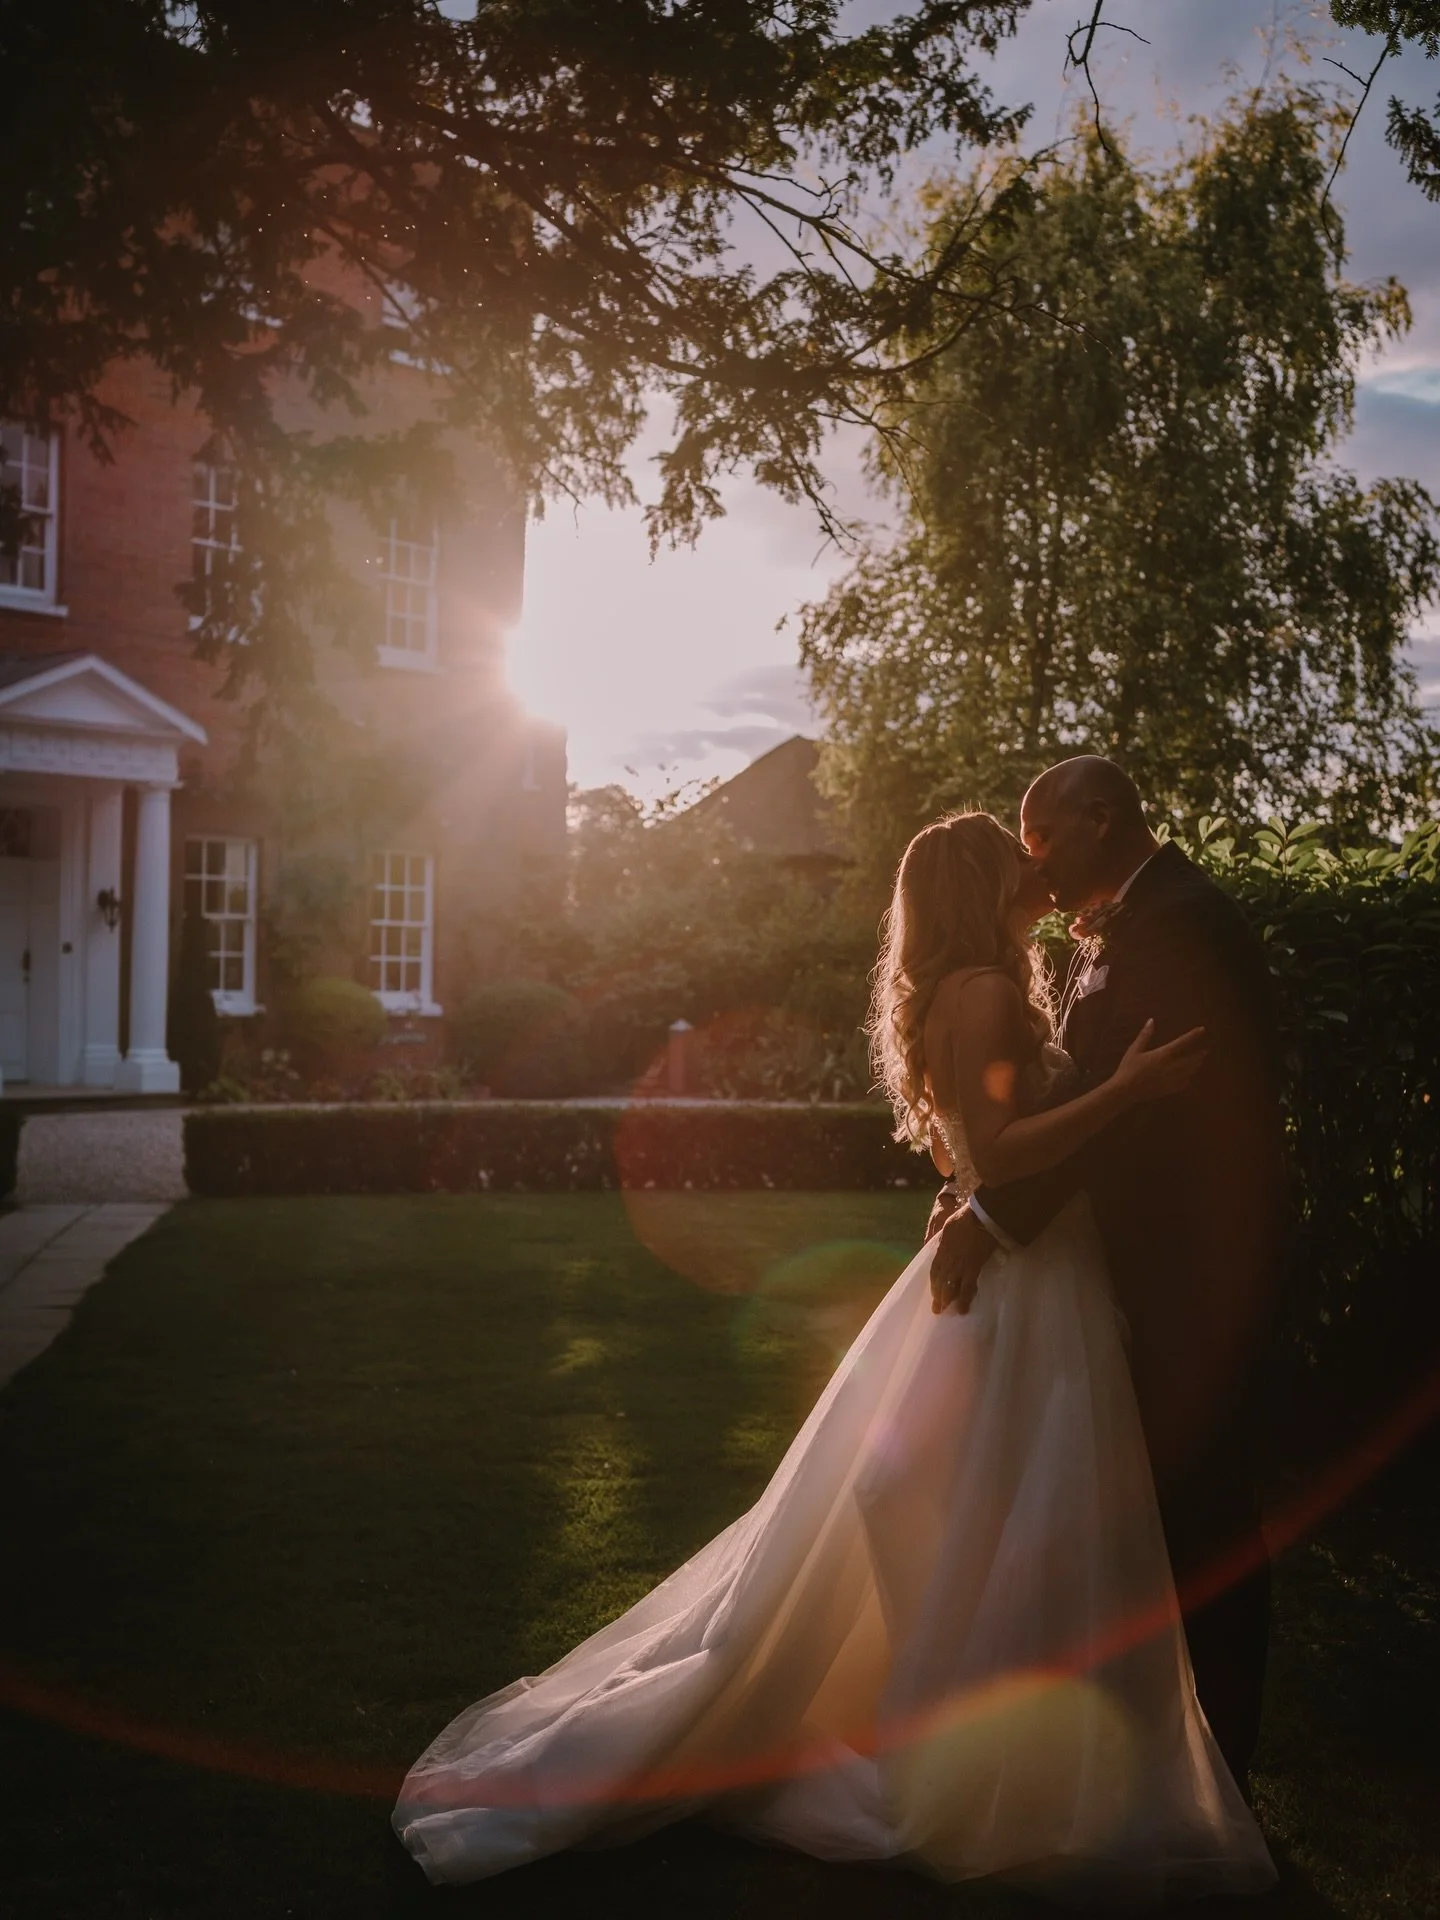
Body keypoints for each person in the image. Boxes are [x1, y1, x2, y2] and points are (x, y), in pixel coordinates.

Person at [393, 807, 1276, 1905]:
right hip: (1030, 1283)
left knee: (971, 1506)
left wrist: (972, 1189)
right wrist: (1125, 1094)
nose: (1032, 864)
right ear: (979, 886)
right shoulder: (991, 995)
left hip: (1019, 1269)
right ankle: (995, 1761)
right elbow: (1004, 1154)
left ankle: (991, 1739)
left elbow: (972, 1157)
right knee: (1011, 1509)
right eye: (1015, 856)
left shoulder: (962, 990)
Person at [930, 757, 1286, 1787]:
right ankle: (1157, 1754)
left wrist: (992, 1215)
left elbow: (1142, 1121)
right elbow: (1086, 1098)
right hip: (1120, 1268)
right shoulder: (1116, 926)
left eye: (1041, 838)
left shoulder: (1181, 923)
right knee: (1142, 1509)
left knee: (1207, 1511)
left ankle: (1220, 1764)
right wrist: (983, 1195)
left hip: (1192, 1277)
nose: (1032, 863)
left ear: (1099, 818)